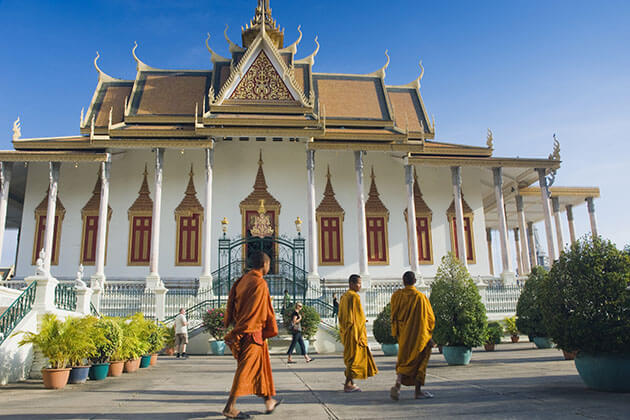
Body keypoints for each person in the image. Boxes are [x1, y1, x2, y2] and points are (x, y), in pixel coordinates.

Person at [222, 251, 282, 419]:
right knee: (245, 370)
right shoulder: (259, 283)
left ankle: (269, 400)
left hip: (249, 330)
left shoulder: (242, 281)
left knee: (261, 369)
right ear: (264, 265)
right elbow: (259, 312)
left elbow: (234, 305)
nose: (269, 267)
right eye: (269, 264)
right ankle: (229, 407)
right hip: (251, 331)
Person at [389, 271, 435, 401]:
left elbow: (393, 316)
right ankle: (418, 391)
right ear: (415, 281)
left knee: (403, 361)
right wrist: (429, 335)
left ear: (403, 281)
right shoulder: (420, 297)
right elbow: (430, 318)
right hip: (419, 337)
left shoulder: (397, 296)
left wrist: (396, 331)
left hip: (404, 336)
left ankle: (398, 384)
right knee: (419, 362)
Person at [338, 274, 378, 392]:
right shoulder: (354, 297)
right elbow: (355, 318)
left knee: (351, 358)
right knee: (354, 359)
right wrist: (360, 329)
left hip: (347, 331)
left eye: (360, 283)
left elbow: (343, 316)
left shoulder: (344, 296)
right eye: (358, 283)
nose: (360, 286)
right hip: (355, 333)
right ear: (351, 284)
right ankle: (347, 384)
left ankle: (350, 383)